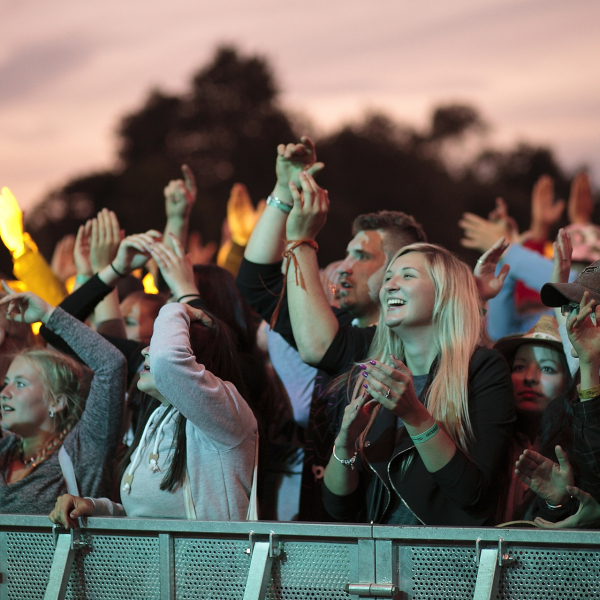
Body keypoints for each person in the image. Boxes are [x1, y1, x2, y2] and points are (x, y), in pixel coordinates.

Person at [321, 242, 515, 525]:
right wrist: (345, 444)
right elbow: (339, 510)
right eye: (388, 278)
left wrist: (414, 416)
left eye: (407, 276)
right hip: (375, 562)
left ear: (444, 294)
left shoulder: (483, 369)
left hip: (442, 563)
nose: (389, 286)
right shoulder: (370, 378)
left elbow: (472, 496)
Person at [50, 301, 258, 525]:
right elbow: (148, 519)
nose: (146, 350)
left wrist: (176, 308)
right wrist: (95, 507)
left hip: (213, 560)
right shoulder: (158, 418)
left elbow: (166, 360)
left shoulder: (226, 412)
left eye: (157, 343)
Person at [0, 286, 126, 514]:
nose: (4, 393)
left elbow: (111, 366)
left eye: (20, 384)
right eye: (6, 382)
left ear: (56, 402)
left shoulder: (84, 449)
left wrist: (47, 314)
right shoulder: (5, 449)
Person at [494, 315, 571, 521]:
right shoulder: (490, 440)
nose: (530, 377)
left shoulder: (575, 450)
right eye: (519, 367)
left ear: (569, 381)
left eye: (547, 368)